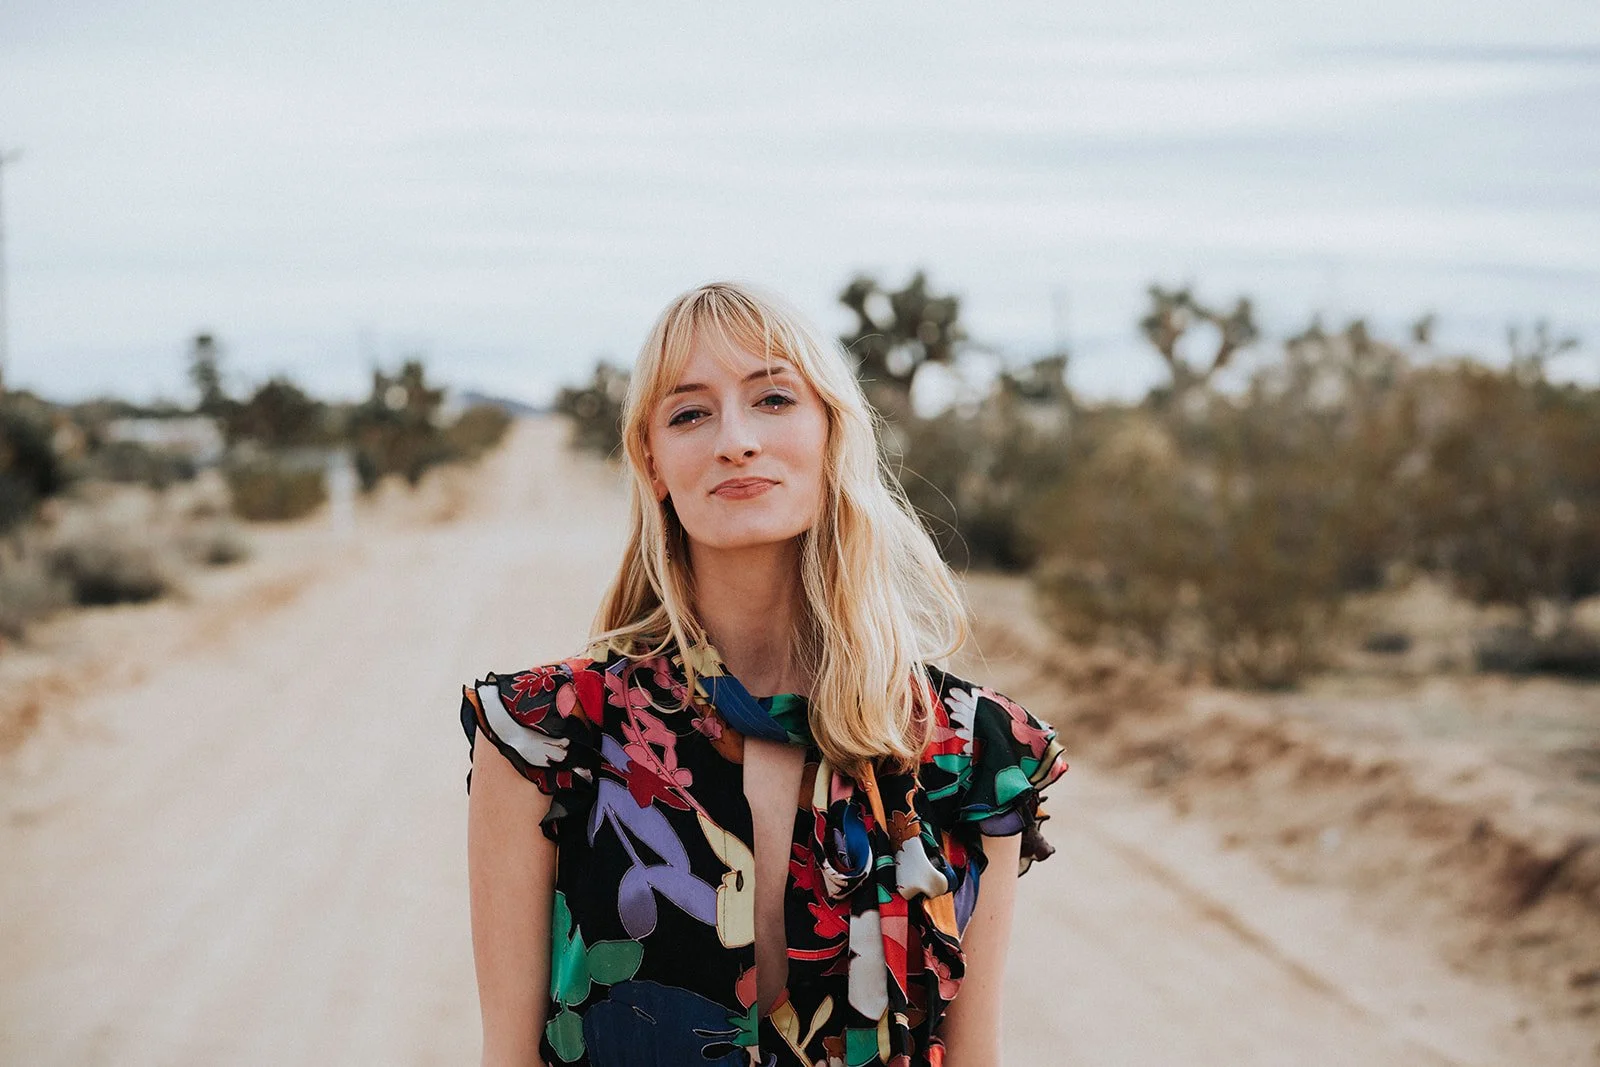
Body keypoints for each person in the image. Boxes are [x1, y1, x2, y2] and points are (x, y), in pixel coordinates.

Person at [460, 281, 1069, 1067]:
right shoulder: (545, 735)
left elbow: (974, 1055)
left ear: (831, 433)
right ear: (652, 463)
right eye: (690, 413)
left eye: (773, 399)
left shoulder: (974, 751)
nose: (735, 440)